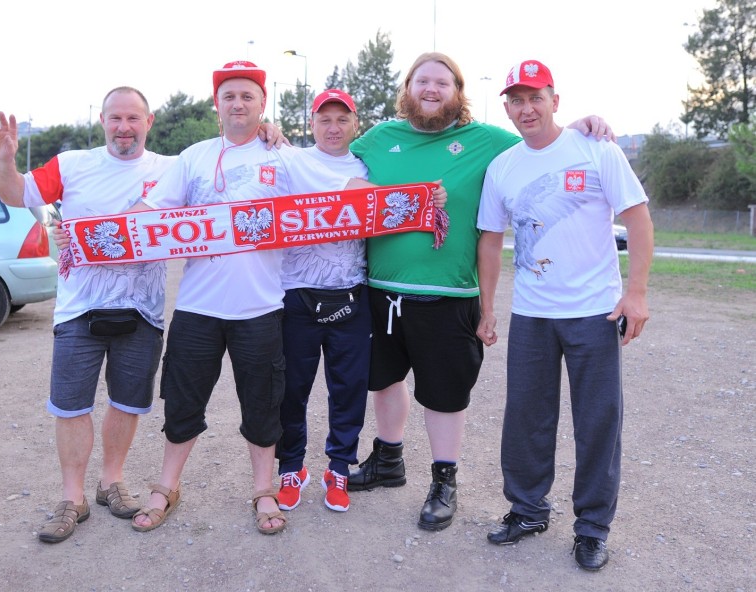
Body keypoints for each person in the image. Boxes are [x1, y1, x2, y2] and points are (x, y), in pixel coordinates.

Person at [346, 52, 614, 532]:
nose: (431, 90)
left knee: (444, 394)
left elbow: (541, 141)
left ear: (458, 92)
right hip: (381, 290)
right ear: (407, 88)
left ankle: (444, 481)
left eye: (442, 83)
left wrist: (576, 125)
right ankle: (388, 460)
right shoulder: (379, 139)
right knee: (383, 380)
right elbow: (328, 154)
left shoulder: (484, 140)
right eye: (422, 81)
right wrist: (274, 135)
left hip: (449, 294)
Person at [129, 62, 385, 535]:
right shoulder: (194, 157)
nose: (238, 104)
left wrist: (401, 198)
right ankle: (166, 486)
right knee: (183, 402)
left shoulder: (285, 159)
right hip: (198, 307)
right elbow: (148, 214)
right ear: (217, 105)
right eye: (229, 96)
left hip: (262, 307)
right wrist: (95, 233)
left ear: (262, 104)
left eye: (248, 96)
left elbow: (341, 193)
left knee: (265, 405)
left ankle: (264, 490)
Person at [476, 59, 653, 571]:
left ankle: (592, 527)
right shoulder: (504, 167)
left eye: (536, 97)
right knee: (526, 419)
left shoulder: (597, 149)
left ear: (556, 99)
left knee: (598, 422)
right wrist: (488, 308)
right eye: (516, 99)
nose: (526, 108)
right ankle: (528, 509)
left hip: (594, 312)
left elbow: (638, 220)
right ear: (506, 107)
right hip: (532, 313)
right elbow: (490, 240)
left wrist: (636, 292)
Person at [0, 87, 176, 543]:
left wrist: (272, 136)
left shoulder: (171, 170)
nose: (124, 127)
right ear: (103, 121)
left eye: (133, 118)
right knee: (71, 406)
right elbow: (16, 194)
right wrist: (2, 159)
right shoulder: (72, 163)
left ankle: (112, 481)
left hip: (142, 307)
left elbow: (222, 184)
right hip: (79, 308)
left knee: (128, 402)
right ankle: (72, 497)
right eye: (115, 118)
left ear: (149, 122)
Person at [275, 89, 370, 514]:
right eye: (324, 119)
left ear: (355, 124)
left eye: (342, 120)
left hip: (351, 293)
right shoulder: (289, 160)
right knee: (291, 388)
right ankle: (291, 468)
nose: (334, 128)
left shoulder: (369, 166)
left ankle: (339, 468)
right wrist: (265, 130)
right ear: (311, 124)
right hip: (296, 294)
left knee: (348, 388)